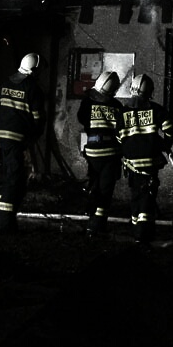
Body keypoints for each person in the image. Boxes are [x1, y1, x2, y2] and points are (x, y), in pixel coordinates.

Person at [0, 52, 46, 234]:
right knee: (14, 179)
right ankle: (3, 223)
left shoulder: (5, 84)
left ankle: (4, 217)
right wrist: (32, 138)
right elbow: (38, 119)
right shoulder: (33, 89)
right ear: (34, 70)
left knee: (12, 178)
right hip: (18, 140)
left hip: (3, 140)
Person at [117, 73, 173, 244]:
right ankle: (143, 235)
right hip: (150, 163)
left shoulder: (123, 112)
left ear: (132, 90)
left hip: (131, 164)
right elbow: (170, 129)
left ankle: (136, 229)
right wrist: (164, 145)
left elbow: (119, 137)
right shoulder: (156, 109)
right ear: (150, 92)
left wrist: (129, 149)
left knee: (136, 195)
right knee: (147, 199)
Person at [76, 70, 123, 236]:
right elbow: (121, 129)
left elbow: (81, 119)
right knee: (106, 188)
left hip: (93, 151)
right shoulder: (117, 106)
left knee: (94, 184)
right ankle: (98, 224)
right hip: (111, 153)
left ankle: (89, 212)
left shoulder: (87, 102)